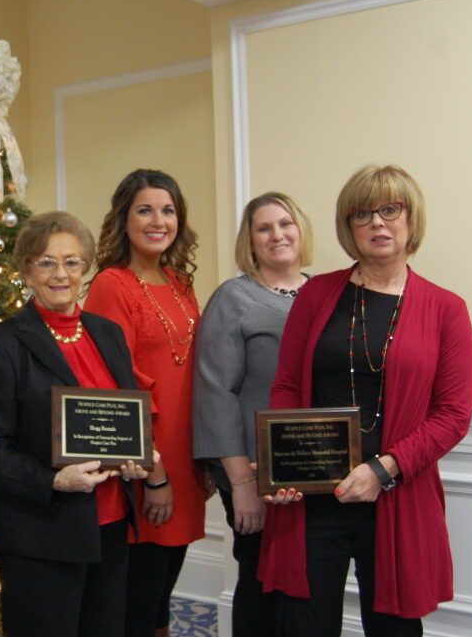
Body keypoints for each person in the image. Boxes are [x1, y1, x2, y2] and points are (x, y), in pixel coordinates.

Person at [258, 165, 472, 637]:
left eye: (389, 210)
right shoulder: (317, 293)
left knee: (394, 628)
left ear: (410, 219)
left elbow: (453, 415)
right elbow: (288, 384)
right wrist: (285, 466)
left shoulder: (446, 309)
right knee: (304, 623)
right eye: (362, 214)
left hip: (397, 494)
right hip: (316, 496)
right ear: (348, 228)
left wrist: (383, 470)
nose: (377, 222)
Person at [0, 211, 150, 637]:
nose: (60, 273)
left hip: (110, 526)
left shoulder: (108, 334)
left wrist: (141, 452)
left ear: (86, 269)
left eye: (71, 262)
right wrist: (54, 481)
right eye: (46, 262)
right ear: (27, 271)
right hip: (42, 533)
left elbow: (125, 416)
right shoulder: (3, 344)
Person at [85, 169, 209, 637]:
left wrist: (206, 458)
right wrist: (154, 472)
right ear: (124, 218)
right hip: (146, 464)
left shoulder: (180, 282)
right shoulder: (111, 285)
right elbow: (119, 388)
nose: (158, 220)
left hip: (186, 455)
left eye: (168, 210)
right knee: (138, 597)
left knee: (161, 593)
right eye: (145, 209)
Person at [192, 192, 314, 637]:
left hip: (314, 472)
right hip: (255, 473)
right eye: (264, 228)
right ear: (251, 240)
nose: (277, 235)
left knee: (308, 590)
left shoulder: (325, 293)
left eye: (285, 224)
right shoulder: (234, 298)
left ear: (301, 230)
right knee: (262, 587)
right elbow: (214, 390)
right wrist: (242, 483)